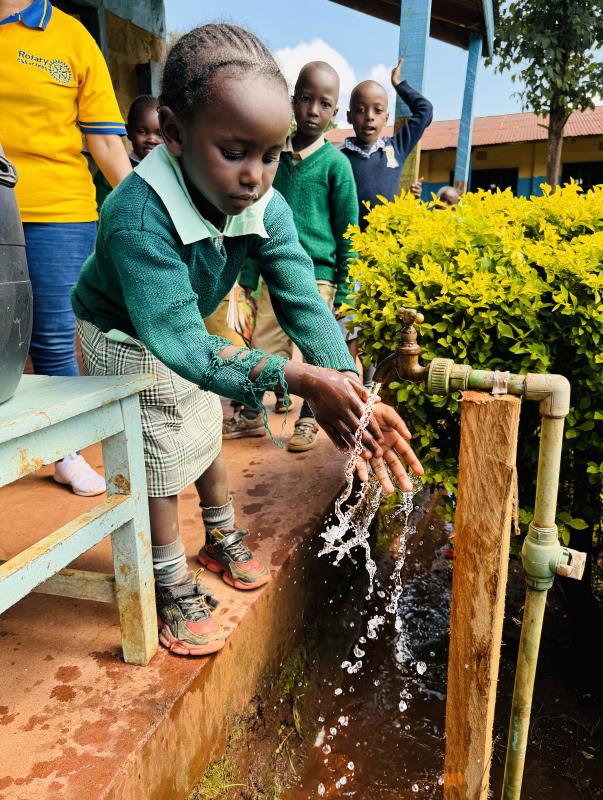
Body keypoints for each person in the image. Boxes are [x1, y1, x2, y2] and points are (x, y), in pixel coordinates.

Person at [71, 24, 424, 657]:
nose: (255, 177)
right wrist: (299, 380)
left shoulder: (261, 202)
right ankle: (167, 574)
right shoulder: (137, 215)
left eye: (268, 155)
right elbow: (181, 344)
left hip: (180, 328)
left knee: (205, 414)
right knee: (158, 442)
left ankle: (218, 536)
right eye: (234, 152)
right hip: (121, 331)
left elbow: (300, 302)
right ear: (175, 134)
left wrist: (346, 384)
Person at [0, 0, 132, 496]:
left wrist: (153, 216)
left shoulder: (72, 37)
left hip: (57, 211)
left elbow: (106, 144)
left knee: (54, 338)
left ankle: (66, 453)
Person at [224, 60, 359, 453]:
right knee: (264, 346)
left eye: (324, 104)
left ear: (335, 114)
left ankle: (309, 419)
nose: (313, 110)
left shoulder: (337, 166)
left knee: (316, 353)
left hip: (318, 275)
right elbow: (252, 218)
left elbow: (348, 235)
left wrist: (346, 292)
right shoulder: (273, 158)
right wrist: (248, 278)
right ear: (292, 101)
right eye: (305, 99)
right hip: (271, 272)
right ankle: (252, 414)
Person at [341, 58, 433, 229]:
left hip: (387, 248)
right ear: (349, 117)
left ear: (386, 118)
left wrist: (398, 84)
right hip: (351, 246)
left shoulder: (396, 148)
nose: (369, 116)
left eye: (378, 110)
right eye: (360, 110)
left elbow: (425, 110)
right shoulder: (339, 157)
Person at [95, 94, 163, 210]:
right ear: (128, 132)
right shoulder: (111, 170)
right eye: (142, 131)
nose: (151, 139)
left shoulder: (172, 171)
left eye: (159, 134)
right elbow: (99, 212)